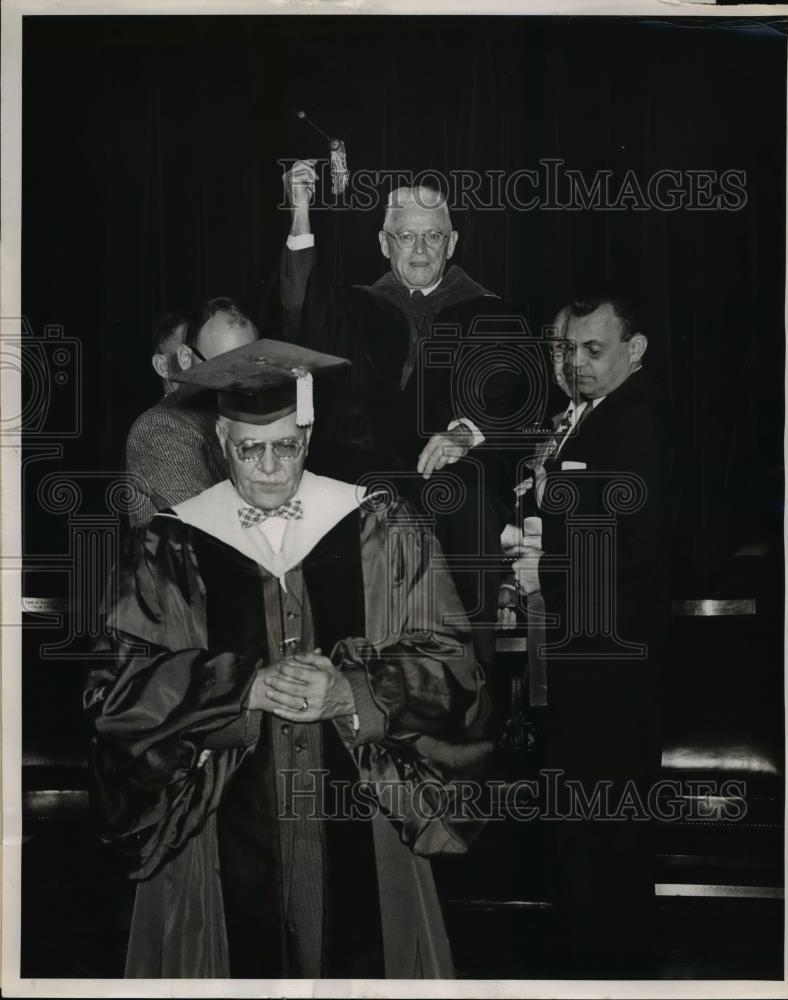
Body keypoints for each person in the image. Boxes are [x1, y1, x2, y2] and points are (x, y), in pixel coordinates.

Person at [85, 339, 492, 979]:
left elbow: (455, 668)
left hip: (362, 807)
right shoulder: (171, 541)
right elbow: (117, 692)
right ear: (221, 441)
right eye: (251, 449)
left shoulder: (379, 525)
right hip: (216, 832)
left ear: (308, 433)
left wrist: (355, 692)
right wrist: (239, 689)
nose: (272, 467)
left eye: (288, 446)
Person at [280, 161, 522, 696]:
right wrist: (301, 210)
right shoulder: (358, 307)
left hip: (451, 474)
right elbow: (304, 310)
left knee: (469, 495)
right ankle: (347, 685)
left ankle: (470, 686)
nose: (419, 249)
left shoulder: (487, 310)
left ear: (452, 242)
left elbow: (510, 392)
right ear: (384, 243)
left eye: (432, 235)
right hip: (365, 471)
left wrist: (465, 433)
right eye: (406, 236)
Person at [505, 294, 670, 976]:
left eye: (593, 350)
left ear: (635, 351)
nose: (575, 363)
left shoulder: (635, 422)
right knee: (587, 818)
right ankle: (595, 956)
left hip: (611, 659)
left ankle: (607, 967)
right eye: (569, 350)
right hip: (588, 652)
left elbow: (637, 547)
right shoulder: (593, 418)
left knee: (602, 827)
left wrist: (545, 570)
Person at [125, 297, 258, 526]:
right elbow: (211, 530)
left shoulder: (236, 416)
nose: (237, 381)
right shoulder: (160, 427)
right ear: (186, 358)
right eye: (223, 366)